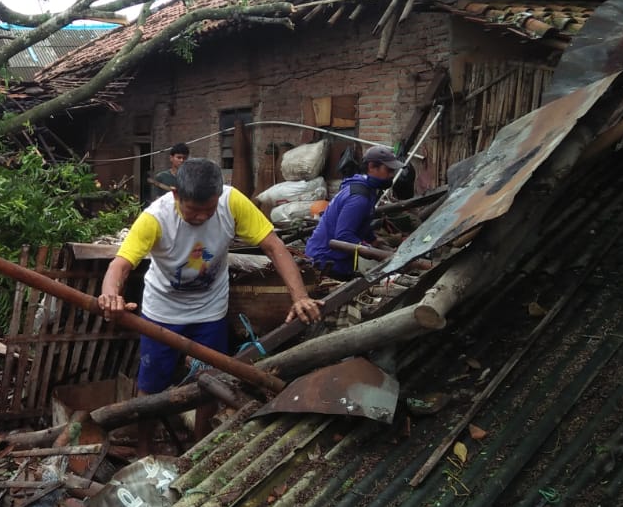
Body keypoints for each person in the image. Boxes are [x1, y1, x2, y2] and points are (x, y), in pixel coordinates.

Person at [99, 158, 322, 451]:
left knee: (211, 383)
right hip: (162, 313)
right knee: (151, 386)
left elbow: (273, 246)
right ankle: (144, 450)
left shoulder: (232, 202)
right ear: (177, 195)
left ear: (219, 195)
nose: (203, 217)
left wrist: (300, 296)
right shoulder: (155, 218)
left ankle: (198, 447)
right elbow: (121, 265)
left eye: (209, 209)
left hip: (210, 312)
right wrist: (110, 295)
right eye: (194, 211)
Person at [303, 144, 406, 278]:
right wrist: (370, 250)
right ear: (371, 167)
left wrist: (373, 240)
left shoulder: (366, 190)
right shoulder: (359, 198)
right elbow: (343, 235)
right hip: (325, 261)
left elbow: (358, 222)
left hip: (337, 259)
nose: (391, 175)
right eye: (389, 170)